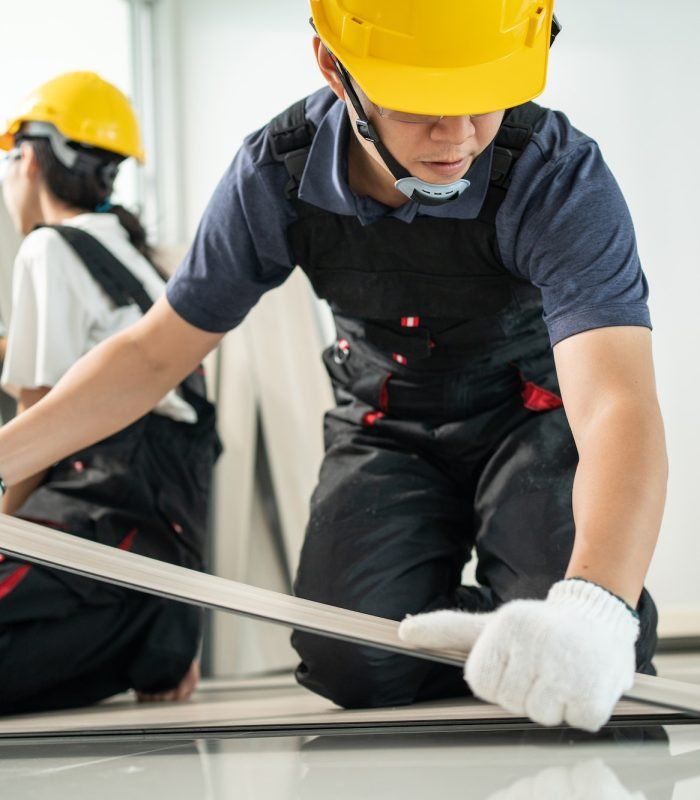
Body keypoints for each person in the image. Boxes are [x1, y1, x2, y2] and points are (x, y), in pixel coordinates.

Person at [0, 1, 667, 730]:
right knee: (350, 660)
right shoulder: (274, 175)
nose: (458, 136)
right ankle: (504, 623)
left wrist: (594, 604)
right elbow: (154, 351)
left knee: (589, 664)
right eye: (420, 106)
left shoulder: (556, 175)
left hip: (529, 418)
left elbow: (614, 402)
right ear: (333, 67)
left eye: (483, 98)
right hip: (389, 427)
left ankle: (561, 607)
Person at [0, 71, 220, 715]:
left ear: (31, 160)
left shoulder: (47, 248)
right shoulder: (133, 256)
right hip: (157, 568)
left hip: (102, 529)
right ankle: (152, 637)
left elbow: (35, 426)